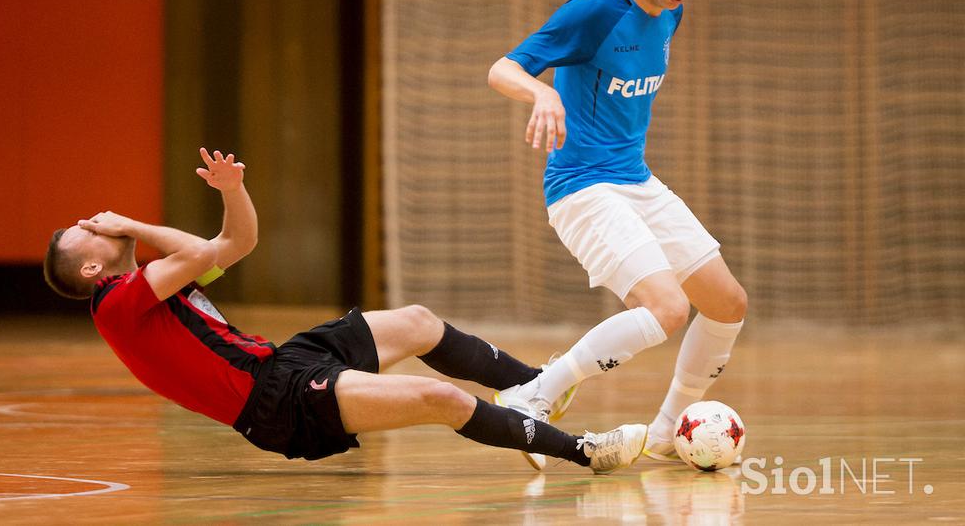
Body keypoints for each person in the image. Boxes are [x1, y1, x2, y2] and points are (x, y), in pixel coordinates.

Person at [42, 147, 647, 473]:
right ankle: (584, 451)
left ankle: (536, 388)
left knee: (416, 322)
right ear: (93, 269)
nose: (91, 222)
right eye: (83, 231)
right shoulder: (118, 302)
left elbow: (236, 244)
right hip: (273, 404)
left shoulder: (144, 292)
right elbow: (204, 250)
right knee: (439, 399)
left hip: (281, 364)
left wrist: (232, 192)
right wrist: (129, 223)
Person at [487, 0, 747, 467]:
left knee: (727, 304)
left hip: (636, 180)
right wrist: (541, 94)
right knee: (667, 308)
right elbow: (502, 68)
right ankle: (531, 394)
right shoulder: (595, 10)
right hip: (582, 187)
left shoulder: (673, 13)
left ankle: (665, 433)